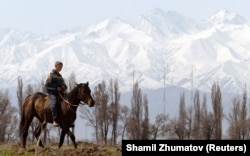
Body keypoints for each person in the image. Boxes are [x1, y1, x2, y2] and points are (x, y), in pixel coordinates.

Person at [45, 61, 67, 127]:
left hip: (60, 93)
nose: (60, 68)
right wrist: (56, 88)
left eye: (61, 67)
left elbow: (65, 85)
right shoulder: (50, 74)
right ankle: (55, 119)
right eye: (59, 66)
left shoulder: (60, 76)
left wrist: (63, 87)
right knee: (54, 103)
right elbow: (47, 84)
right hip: (52, 93)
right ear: (56, 66)